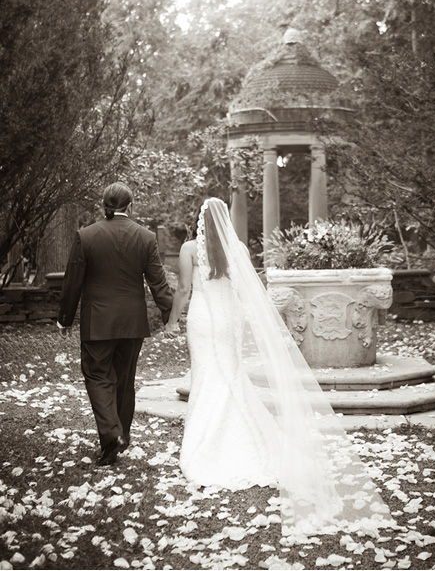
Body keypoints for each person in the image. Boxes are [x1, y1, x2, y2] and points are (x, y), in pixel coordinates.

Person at [165, 197, 393, 538]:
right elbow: (245, 290)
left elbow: (184, 289)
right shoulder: (237, 247)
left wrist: (171, 320)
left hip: (203, 317)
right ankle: (239, 433)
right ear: (224, 220)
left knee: (208, 374)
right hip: (230, 320)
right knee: (229, 374)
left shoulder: (188, 249)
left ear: (200, 220)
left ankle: (207, 440)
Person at [57, 182, 173, 466]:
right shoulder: (145, 237)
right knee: (124, 381)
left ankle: (112, 435)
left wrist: (65, 319)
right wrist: (170, 314)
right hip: (133, 322)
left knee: (97, 376)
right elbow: (158, 282)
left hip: (98, 321)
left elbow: (73, 281)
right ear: (130, 205)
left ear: (103, 204)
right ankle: (116, 441)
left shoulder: (87, 235)